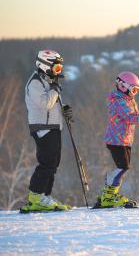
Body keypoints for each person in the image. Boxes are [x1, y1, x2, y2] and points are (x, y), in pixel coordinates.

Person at [21, 50, 73, 213]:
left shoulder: (47, 80)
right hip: (42, 128)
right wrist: (55, 90)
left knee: (54, 163)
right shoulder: (35, 82)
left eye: (60, 68)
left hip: (52, 126)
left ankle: (44, 196)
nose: (59, 72)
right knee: (47, 163)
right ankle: (35, 196)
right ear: (45, 65)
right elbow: (45, 104)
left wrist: (64, 109)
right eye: (57, 68)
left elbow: (52, 105)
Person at [96, 71, 139, 208]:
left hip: (124, 140)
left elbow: (135, 116)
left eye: (137, 90)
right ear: (123, 86)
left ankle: (110, 194)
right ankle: (109, 194)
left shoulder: (128, 100)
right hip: (116, 140)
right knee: (123, 166)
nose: (135, 93)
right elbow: (130, 118)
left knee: (123, 167)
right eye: (133, 90)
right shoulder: (118, 101)